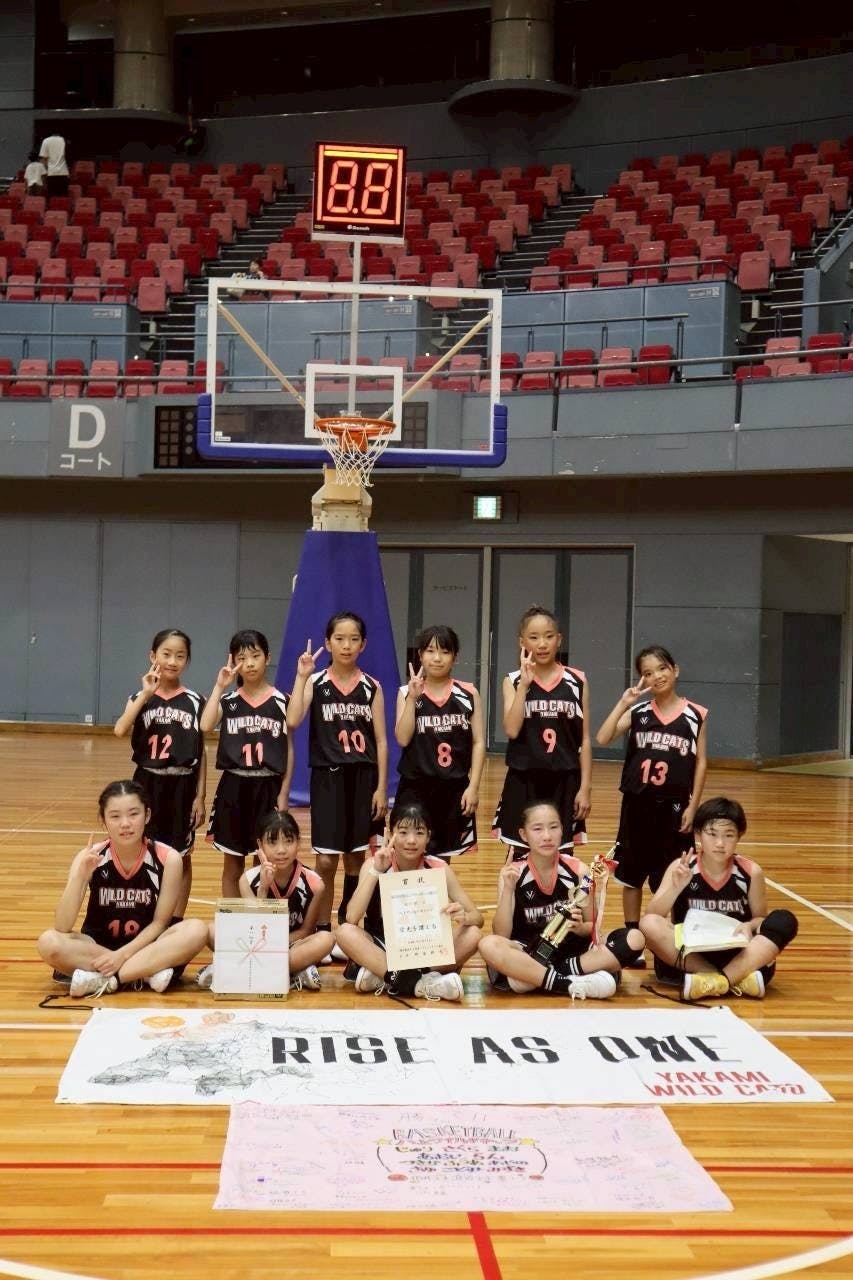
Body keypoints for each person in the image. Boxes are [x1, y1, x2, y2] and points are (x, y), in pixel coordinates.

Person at [36, 780, 208, 999]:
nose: (125, 824)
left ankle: (109, 980)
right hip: (97, 950)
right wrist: (80, 876)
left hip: (148, 948)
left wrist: (122, 956)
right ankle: (144, 975)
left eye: (133, 814)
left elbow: (160, 923)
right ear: (103, 821)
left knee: (197, 930)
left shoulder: (168, 858)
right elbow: (62, 925)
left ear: (147, 815)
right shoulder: (90, 856)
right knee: (48, 942)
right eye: (115, 816)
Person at [596, 645, 707, 963]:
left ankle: (672, 939)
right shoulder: (639, 712)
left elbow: (701, 762)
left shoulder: (695, 714)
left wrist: (693, 806)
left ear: (675, 670)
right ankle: (633, 941)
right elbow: (602, 737)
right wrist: (624, 702)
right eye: (647, 673)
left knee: (675, 875)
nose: (656, 676)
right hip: (637, 804)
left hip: (675, 807)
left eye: (661, 668)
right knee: (631, 877)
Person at [287, 612, 388, 946]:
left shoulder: (371, 686)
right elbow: (293, 719)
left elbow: (381, 741)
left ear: (363, 644)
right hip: (327, 779)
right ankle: (322, 927)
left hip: (363, 778)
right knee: (326, 860)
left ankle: (349, 923)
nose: (347, 645)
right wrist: (301, 676)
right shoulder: (316, 682)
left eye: (354, 639)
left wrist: (381, 787)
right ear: (328, 643)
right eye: (340, 639)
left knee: (356, 857)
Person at [479, 801, 645, 1000]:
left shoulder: (580, 870)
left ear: (562, 831)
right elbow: (502, 934)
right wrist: (508, 889)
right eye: (537, 829)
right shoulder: (513, 873)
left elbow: (592, 927)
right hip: (528, 954)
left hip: (571, 954)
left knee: (635, 938)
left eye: (553, 827)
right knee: (488, 944)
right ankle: (568, 984)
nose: (547, 836)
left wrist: (579, 928)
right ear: (524, 834)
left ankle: (546, 976)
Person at [640, 796, 798, 1002]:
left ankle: (717, 981)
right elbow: (653, 916)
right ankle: (732, 980)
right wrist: (675, 888)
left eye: (729, 835)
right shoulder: (682, 867)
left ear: (739, 835)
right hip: (692, 955)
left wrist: (749, 925)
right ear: (698, 833)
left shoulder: (750, 872)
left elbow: (760, 919)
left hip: (736, 953)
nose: (720, 843)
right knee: (648, 924)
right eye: (712, 834)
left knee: (784, 920)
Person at [335, 799, 483, 1000]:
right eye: (403, 832)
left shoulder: (439, 868)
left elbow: (478, 918)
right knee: (344, 932)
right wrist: (376, 871)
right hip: (383, 947)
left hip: (426, 949)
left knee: (473, 934)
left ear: (428, 836)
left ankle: (388, 977)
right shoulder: (374, 864)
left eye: (419, 833)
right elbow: (352, 917)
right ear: (390, 833)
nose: (411, 840)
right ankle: (423, 982)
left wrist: (464, 916)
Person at [113, 628, 206, 916]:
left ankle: (175, 919)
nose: (172, 661)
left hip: (182, 784)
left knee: (181, 856)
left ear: (187, 660)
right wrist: (145, 694)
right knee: (143, 850)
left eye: (180, 656)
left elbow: (201, 751)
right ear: (153, 656)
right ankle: (146, 913)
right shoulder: (140, 697)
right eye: (166, 654)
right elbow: (119, 729)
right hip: (147, 782)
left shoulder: (195, 701)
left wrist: (200, 796)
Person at [492, 604, 591, 855]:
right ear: (522, 642)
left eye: (549, 636)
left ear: (559, 639)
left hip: (565, 780)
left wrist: (585, 787)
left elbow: (585, 739)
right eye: (534, 637)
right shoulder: (512, 680)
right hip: (524, 778)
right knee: (519, 854)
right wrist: (524, 686)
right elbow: (511, 730)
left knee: (562, 854)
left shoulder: (577, 681)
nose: (542, 644)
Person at [202, 630, 292, 897]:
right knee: (232, 863)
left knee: (264, 861)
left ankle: (257, 913)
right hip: (234, 785)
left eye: (255, 656)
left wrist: (284, 792)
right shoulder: (228, 701)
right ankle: (232, 915)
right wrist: (220, 685)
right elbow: (205, 725)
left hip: (268, 785)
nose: (250, 663)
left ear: (268, 658)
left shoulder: (282, 701)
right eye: (242, 658)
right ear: (233, 661)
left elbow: (289, 749)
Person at [197, 810, 329, 992]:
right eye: (272, 842)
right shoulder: (247, 880)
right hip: (254, 944)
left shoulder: (315, 884)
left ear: (299, 842)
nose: (281, 850)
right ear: (260, 845)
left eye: (288, 841)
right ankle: (292, 972)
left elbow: (305, 931)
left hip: (290, 945)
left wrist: (273, 945)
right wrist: (263, 890)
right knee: (212, 930)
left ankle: (233, 968)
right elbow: (253, 924)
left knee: (326, 939)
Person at [394, 624, 485, 859]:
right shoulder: (406, 692)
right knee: (408, 854)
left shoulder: (469, 693)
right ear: (420, 655)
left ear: (455, 657)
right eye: (430, 651)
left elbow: (478, 742)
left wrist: (473, 787)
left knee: (442, 860)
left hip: (453, 788)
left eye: (445, 651)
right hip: (415, 787)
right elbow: (402, 738)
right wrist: (412, 699)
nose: (437, 658)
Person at [38, 133, 69, 199]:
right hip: (63, 173)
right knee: (63, 199)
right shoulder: (63, 140)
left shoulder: (46, 141)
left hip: (51, 173)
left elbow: (43, 159)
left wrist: (44, 174)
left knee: (52, 199)